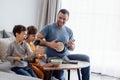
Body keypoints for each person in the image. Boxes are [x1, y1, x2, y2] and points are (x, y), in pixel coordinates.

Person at [37, 9, 90, 80]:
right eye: (60, 18)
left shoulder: (69, 31)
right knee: (60, 77)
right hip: (54, 59)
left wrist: (70, 45)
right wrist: (48, 44)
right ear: (57, 16)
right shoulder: (49, 27)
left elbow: (73, 48)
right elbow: (36, 40)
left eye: (64, 19)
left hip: (66, 57)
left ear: (67, 20)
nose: (61, 20)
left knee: (86, 58)